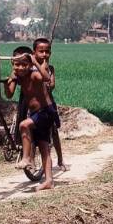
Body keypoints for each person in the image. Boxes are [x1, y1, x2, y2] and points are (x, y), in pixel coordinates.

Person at [4, 46, 55, 190]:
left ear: (30, 64)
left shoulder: (34, 74)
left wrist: (36, 62)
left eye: (24, 64)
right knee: (44, 147)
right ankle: (49, 181)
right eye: (17, 64)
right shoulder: (18, 75)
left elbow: (46, 77)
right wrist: (10, 79)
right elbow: (9, 94)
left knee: (23, 125)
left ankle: (26, 158)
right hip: (36, 113)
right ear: (12, 64)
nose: (20, 68)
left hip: (46, 111)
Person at [32, 37, 68, 170]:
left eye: (47, 52)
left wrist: (44, 69)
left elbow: (51, 85)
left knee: (53, 131)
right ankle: (31, 158)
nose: (44, 54)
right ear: (34, 52)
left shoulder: (50, 69)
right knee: (32, 130)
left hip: (47, 104)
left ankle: (60, 159)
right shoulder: (30, 68)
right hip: (32, 104)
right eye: (40, 51)